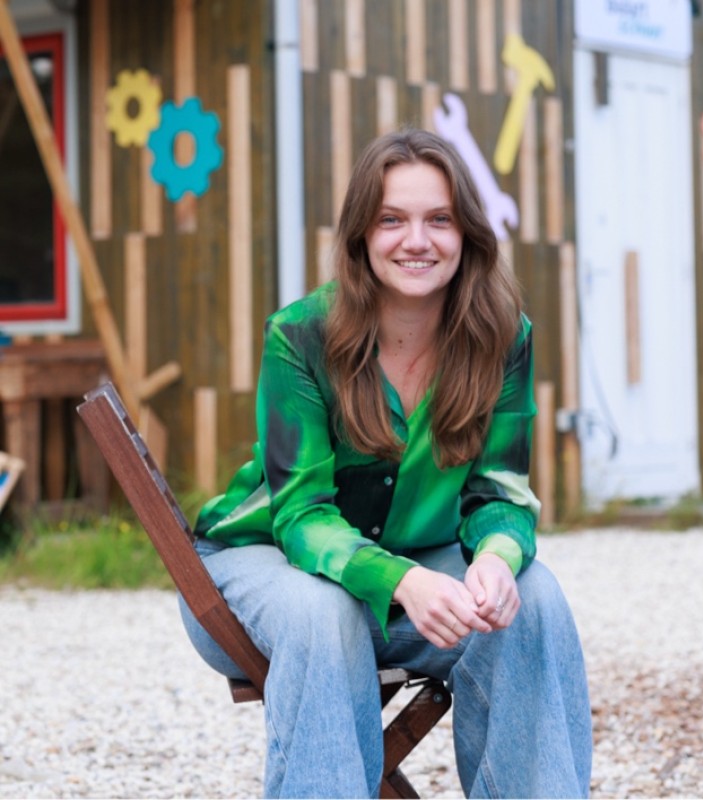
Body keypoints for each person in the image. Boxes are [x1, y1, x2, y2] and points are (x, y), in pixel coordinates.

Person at [179, 128, 592, 798]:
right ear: (361, 235)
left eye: (440, 220)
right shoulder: (300, 336)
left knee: (531, 596)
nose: (417, 241)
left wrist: (495, 560)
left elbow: (501, 492)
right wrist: (403, 581)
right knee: (326, 611)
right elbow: (302, 517)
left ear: (468, 233)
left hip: (406, 579)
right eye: (392, 220)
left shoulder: (504, 337)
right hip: (262, 565)